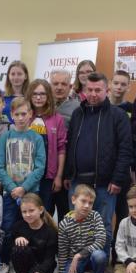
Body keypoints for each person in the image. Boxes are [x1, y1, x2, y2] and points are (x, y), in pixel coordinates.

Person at [64, 72, 132, 250]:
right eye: (89, 90)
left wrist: (117, 179)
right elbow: (70, 145)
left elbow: (125, 150)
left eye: (97, 90)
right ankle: (78, 263)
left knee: (102, 227)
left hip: (105, 184)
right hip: (78, 181)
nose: (93, 94)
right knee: (76, 226)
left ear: (106, 91)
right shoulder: (78, 114)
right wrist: (68, 174)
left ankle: (99, 263)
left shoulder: (118, 116)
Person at [0, 97, 46, 273]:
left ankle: (30, 264)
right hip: (10, 193)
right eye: (17, 114)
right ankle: (5, 261)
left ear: (30, 114)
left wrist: (24, 188)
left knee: (30, 226)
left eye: (24, 114)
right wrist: (12, 188)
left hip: (31, 192)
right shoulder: (5, 137)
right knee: (8, 227)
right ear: (11, 115)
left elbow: (40, 167)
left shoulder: (36, 138)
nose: (21, 117)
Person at [53, 184, 108, 273]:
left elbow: (101, 240)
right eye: (83, 201)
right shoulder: (64, 224)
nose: (87, 206)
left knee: (100, 256)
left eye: (90, 203)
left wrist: (80, 255)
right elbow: (63, 252)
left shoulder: (95, 216)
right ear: (73, 200)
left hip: (91, 257)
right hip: (73, 261)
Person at [26, 78, 67, 216]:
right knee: (28, 213)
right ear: (29, 96)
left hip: (48, 177)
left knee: (44, 213)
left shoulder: (57, 118)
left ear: (48, 96)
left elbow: (61, 149)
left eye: (42, 94)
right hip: (26, 176)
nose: (38, 97)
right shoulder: (24, 116)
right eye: (35, 94)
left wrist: (58, 176)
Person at [11, 193, 57, 273]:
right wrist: (17, 239)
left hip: (43, 265)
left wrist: (40, 272)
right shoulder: (18, 227)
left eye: (31, 210)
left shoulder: (50, 232)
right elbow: (12, 252)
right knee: (19, 247)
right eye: (24, 212)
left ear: (40, 210)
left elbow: (50, 259)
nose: (28, 214)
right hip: (26, 265)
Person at [49, 69, 80, 219]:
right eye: (55, 83)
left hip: (67, 170)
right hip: (45, 171)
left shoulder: (78, 108)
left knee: (66, 215)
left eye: (63, 84)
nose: (59, 87)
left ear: (71, 86)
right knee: (44, 213)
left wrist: (68, 173)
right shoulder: (42, 106)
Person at [109, 69, 134, 229]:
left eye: (123, 84)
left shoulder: (132, 109)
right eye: (116, 83)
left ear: (128, 87)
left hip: (124, 167)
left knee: (123, 212)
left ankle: (119, 243)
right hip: (105, 165)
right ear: (110, 84)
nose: (119, 87)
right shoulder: (102, 106)